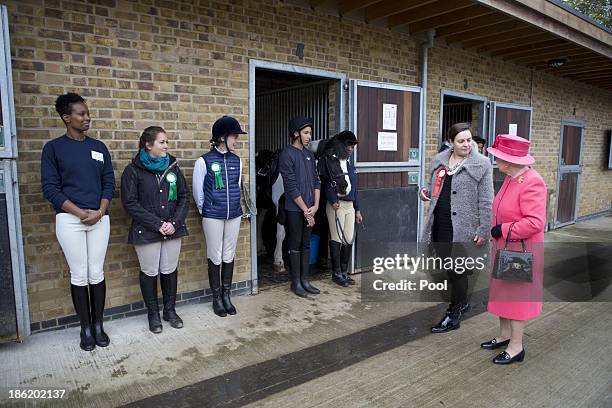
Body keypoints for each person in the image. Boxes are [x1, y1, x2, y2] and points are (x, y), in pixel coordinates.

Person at [41, 93, 115, 351]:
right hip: (69, 219)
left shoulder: (99, 148)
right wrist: (79, 212)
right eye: (81, 114)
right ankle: (85, 329)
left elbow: (109, 182)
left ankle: (98, 326)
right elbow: (50, 188)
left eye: (87, 113)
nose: (87, 117)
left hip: (99, 217)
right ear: (66, 117)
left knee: (96, 272)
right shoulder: (53, 149)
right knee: (79, 273)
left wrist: (100, 211)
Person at [420, 122, 493, 333]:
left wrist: (484, 230)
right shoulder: (439, 160)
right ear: (450, 142)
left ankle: (454, 313)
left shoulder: (482, 164)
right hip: (440, 225)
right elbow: (431, 186)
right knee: (447, 269)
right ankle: (461, 301)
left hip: (464, 228)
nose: (467, 144)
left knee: (457, 270)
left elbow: (487, 201)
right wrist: (424, 192)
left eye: (469, 140)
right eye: (461, 141)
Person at [482, 134, 546, 365]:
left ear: (508, 161)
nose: (495, 161)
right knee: (502, 294)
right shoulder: (511, 177)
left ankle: (516, 346)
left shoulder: (532, 181)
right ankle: (504, 335)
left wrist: (503, 229)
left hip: (520, 251)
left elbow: (535, 222)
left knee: (516, 299)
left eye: (497, 157)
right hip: (504, 248)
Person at [121, 126, 189, 333]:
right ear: (148, 145)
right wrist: (158, 224)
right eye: (162, 142)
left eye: (167, 142)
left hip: (172, 230)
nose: (166, 146)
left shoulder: (173, 167)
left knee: (169, 270)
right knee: (150, 272)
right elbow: (130, 203)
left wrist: (174, 223)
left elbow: (184, 197)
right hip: (147, 231)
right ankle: (153, 314)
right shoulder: (132, 171)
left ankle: (170, 310)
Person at [193, 116, 245, 317]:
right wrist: (207, 212)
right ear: (222, 137)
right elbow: (199, 193)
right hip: (212, 215)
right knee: (214, 254)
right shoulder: (203, 161)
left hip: (234, 215)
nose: (237, 141)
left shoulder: (237, 161)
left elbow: (238, 187)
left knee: (229, 254)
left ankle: (226, 295)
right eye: (234, 136)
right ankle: (216, 298)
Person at [278, 116, 321, 297]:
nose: (309, 136)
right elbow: (291, 187)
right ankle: (295, 282)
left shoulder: (310, 155)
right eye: (305, 133)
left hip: (310, 209)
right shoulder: (286, 154)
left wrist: (316, 206)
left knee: (306, 245)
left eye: (310, 133)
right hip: (295, 210)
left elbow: (317, 181)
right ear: (295, 134)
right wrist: (306, 210)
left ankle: (305, 280)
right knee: (294, 244)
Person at [324, 131, 363, 287]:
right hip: (337, 204)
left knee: (348, 238)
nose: (351, 149)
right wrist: (333, 200)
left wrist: (357, 208)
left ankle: (344, 271)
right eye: (349, 145)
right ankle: (336, 273)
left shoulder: (349, 165)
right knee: (336, 238)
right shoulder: (333, 162)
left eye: (352, 146)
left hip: (350, 206)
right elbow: (326, 183)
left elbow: (355, 189)